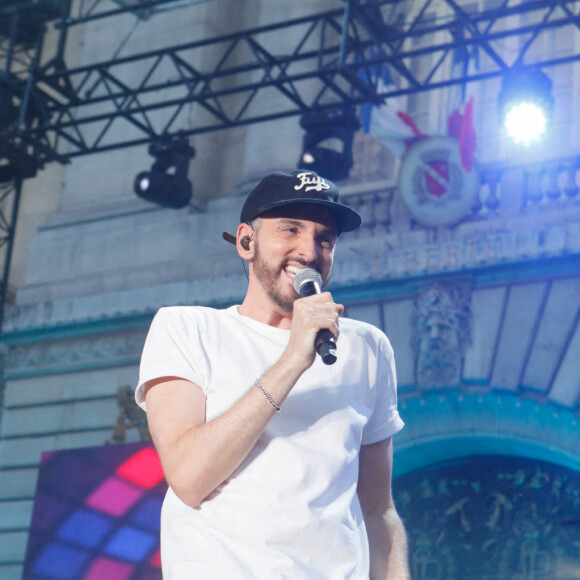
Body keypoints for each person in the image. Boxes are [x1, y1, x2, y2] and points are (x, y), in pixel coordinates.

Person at [135, 169, 410, 579]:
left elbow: (377, 507)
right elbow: (189, 476)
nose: (308, 250)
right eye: (290, 230)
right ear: (247, 241)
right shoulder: (187, 328)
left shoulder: (368, 348)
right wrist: (291, 360)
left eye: (324, 239)